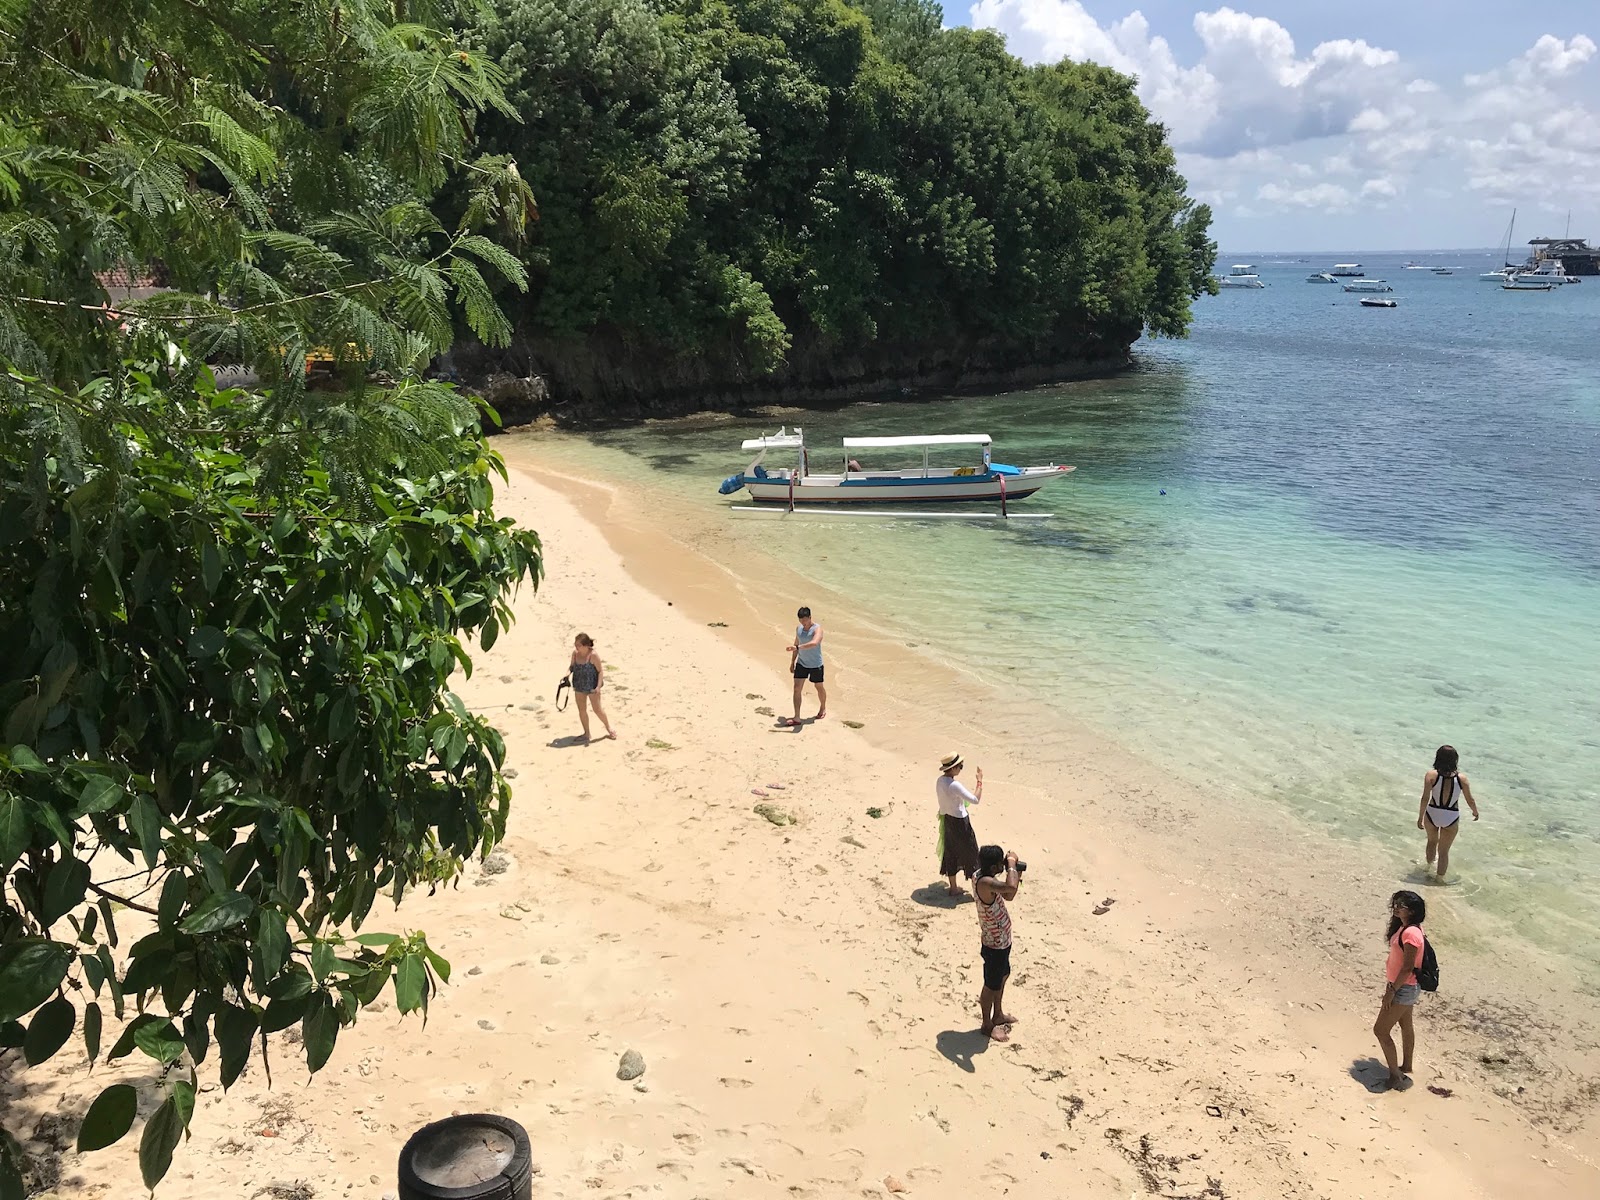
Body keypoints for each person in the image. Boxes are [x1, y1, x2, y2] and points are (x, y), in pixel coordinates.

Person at [1373, 890, 1426, 1090]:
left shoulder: (1411, 933)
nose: (1396, 908)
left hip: (1403, 988)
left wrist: (1392, 990)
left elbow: (1407, 967)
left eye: (1400, 905)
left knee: (1380, 1030)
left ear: (1412, 911)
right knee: (1406, 1024)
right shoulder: (1407, 928)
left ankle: (1395, 1076)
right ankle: (1407, 1066)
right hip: (1407, 987)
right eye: (1395, 903)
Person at [973, 844, 1021, 1042]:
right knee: (990, 985)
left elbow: (1009, 895)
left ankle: (998, 1014)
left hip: (1002, 941)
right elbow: (1010, 888)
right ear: (993, 867)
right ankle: (986, 1025)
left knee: (1003, 976)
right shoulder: (984, 883)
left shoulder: (981, 875)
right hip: (993, 944)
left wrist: (1015, 872)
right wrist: (1011, 865)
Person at [1416, 744, 1479, 879]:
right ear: (1455, 760)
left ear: (1438, 758)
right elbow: (1470, 799)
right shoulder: (1462, 778)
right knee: (1444, 851)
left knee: (1432, 842)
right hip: (1451, 815)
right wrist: (1475, 812)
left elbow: (1425, 798)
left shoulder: (1431, 775)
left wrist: (1420, 817)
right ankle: (1439, 879)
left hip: (1433, 813)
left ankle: (1428, 867)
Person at [936, 753, 983, 896]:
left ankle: (953, 887)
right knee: (972, 854)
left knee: (950, 853)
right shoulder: (954, 785)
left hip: (948, 820)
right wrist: (979, 781)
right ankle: (978, 889)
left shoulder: (940, 781)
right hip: (961, 823)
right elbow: (975, 799)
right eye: (960, 767)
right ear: (954, 768)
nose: (961, 769)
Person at [781, 606, 826, 726]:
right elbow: (796, 643)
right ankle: (797, 717)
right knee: (796, 689)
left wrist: (797, 648)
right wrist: (792, 662)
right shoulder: (799, 629)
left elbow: (814, 643)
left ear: (810, 618)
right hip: (801, 663)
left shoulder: (817, 629)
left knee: (819, 687)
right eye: (801, 620)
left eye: (805, 620)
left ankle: (822, 707)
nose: (803, 623)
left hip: (816, 664)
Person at [568, 633, 616, 743]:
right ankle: (586, 733)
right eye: (575, 645)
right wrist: (566, 674)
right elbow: (571, 667)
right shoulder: (575, 654)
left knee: (597, 709)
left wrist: (598, 686)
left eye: (578, 645)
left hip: (592, 686)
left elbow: (600, 671)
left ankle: (608, 727)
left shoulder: (593, 655)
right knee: (582, 710)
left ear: (586, 645)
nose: (576, 647)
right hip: (579, 685)